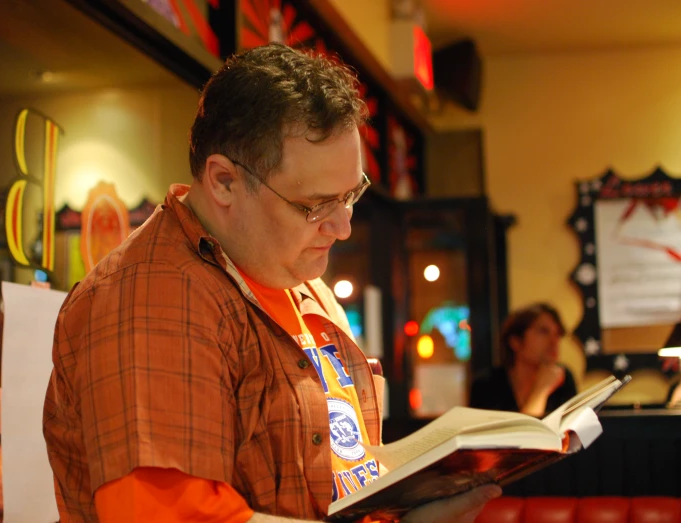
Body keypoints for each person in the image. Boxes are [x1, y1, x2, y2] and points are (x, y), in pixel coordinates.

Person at [43, 43, 500, 523]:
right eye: (316, 205)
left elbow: (343, 471)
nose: (343, 227)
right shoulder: (154, 299)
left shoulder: (300, 282)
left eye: (350, 195)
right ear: (223, 182)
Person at [469, 303, 578, 417]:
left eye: (557, 334)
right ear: (515, 341)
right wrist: (541, 391)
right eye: (543, 332)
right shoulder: (486, 385)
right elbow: (523, 433)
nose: (554, 342)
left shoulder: (564, 379)